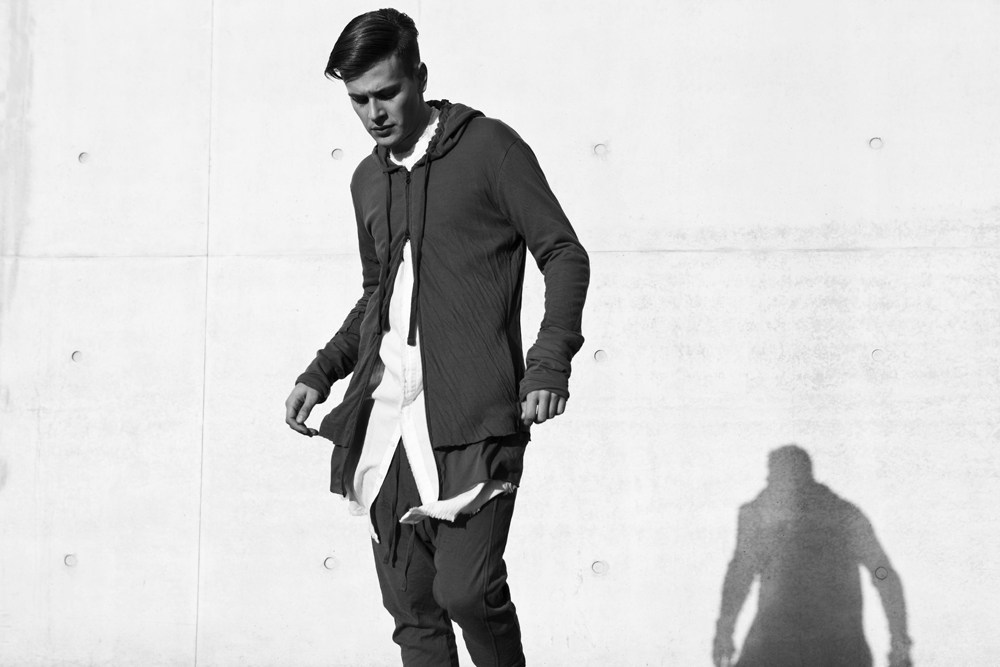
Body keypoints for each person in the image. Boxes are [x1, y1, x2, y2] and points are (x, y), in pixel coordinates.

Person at [284, 9, 589, 667]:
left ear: (419, 76)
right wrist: (322, 371)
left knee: (467, 591)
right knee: (414, 610)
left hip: (474, 421)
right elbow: (378, 296)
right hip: (385, 426)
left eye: (387, 93)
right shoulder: (369, 180)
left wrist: (548, 364)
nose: (374, 113)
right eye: (358, 100)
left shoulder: (489, 149)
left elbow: (563, 252)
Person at [712, 445, 913, 667]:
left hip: (781, 649)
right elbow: (883, 574)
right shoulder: (844, 516)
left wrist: (724, 632)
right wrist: (899, 641)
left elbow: (740, 574)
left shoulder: (762, 517)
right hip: (835, 651)